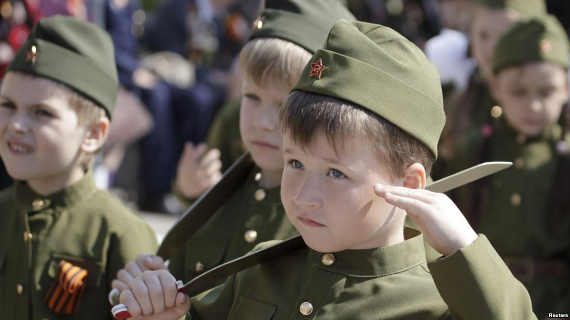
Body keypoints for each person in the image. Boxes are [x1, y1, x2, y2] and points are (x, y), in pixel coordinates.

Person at [114, 19, 537, 320]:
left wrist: (464, 248)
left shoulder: (438, 301)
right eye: (295, 162)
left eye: (336, 173)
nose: (301, 194)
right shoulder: (260, 271)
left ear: (408, 185)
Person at [110, 0, 356, 306]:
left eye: (285, 106)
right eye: (251, 97)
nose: (263, 122)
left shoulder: (324, 219)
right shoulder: (226, 195)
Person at [0, 16, 158, 319]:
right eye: (7, 105)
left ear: (93, 134)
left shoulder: (119, 233)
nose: (17, 125)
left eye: (41, 113)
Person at [444, 15, 570, 317]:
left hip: (556, 305)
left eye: (547, 91)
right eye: (519, 92)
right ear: (496, 88)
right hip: (484, 296)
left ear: (566, 88)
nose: (534, 106)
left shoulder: (565, 157)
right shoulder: (471, 152)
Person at [434, 0, 547, 167]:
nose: (493, 48)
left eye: (509, 33)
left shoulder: (555, 102)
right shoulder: (454, 97)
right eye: (484, 35)